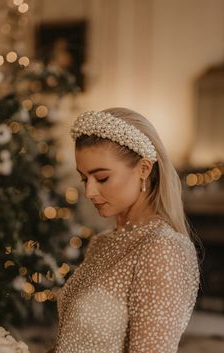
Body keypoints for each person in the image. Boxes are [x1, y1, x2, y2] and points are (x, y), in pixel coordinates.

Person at [52, 107, 200, 353]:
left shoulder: (162, 249)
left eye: (102, 178)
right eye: (83, 179)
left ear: (144, 169)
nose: (89, 192)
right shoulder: (101, 242)